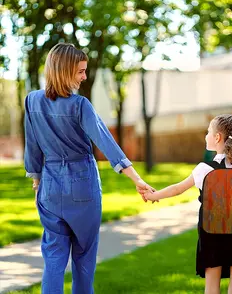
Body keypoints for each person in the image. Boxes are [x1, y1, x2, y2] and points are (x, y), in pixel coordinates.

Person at [24, 43, 153, 294]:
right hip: (82, 185)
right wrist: (136, 178)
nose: (84, 77)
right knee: (83, 257)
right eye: (80, 71)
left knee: (53, 258)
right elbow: (106, 142)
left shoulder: (32, 101)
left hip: (49, 187)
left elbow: (32, 146)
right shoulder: (79, 105)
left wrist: (37, 183)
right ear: (64, 71)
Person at [144, 114, 232, 294]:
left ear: (217, 138)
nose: (206, 136)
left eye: (208, 132)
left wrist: (154, 196)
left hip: (212, 236)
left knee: (211, 289)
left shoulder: (205, 169)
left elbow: (178, 189)